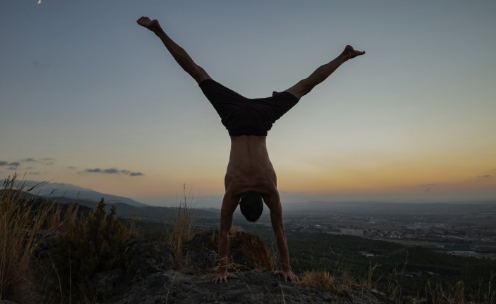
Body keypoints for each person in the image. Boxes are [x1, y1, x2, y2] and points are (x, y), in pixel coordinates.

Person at [136, 16, 365, 284]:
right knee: (198, 74)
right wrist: (223, 271)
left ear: (259, 202)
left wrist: (285, 267)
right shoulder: (232, 191)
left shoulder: (269, 188)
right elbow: (227, 233)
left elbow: (279, 231)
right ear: (239, 203)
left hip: (260, 119)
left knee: (304, 86)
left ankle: (343, 55)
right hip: (234, 118)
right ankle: (159, 32)